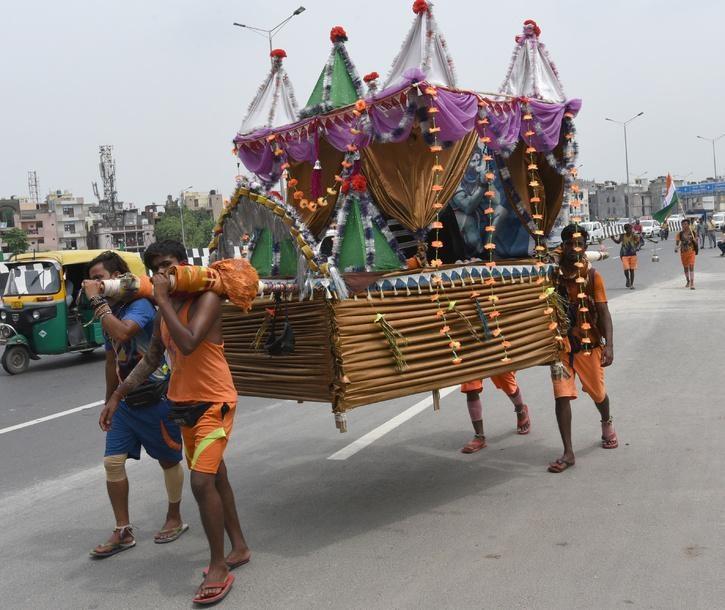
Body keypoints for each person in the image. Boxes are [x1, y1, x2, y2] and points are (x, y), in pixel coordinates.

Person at [102, 240, 250, 605]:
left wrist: (163, 300)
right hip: (182, 405)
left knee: (201, 483)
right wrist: (118, 395)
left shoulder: (208, 298)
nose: (161, 274)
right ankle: (240, 547)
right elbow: (153, 357)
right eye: (155, 269)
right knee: (217, 477)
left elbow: (187, 343)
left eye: (167, 265)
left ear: (183, 266)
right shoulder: (167, 309)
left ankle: (218, 566)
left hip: (214, 402)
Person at [84, 251, 187, 559]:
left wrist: (98, 303)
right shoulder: (109, 311)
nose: (93, 283)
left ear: (117, 279)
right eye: (92, 279)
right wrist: (109, 400)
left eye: (99, 278)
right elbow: (111, 357)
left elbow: (124, 332)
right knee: (112, 463)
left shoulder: (139, 305)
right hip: (127, 403)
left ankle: (175, 516)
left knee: (168, 460)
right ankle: (123, 530)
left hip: (156, 396)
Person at [548, 224, 617, 474]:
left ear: (585, 248)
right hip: (561, 347)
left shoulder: (592, 276)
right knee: (561, 395)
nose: (575, 249)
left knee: (598, 393)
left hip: (589, 346)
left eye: (580, 244)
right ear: (563, 246)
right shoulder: (552, 274)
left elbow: (603, 312)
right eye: (570, 244)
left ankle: (606, 422)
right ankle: (568, 452)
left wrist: (609, 346)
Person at [459, 372, 531, 453]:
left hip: (497, 359)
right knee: (470, 387)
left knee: (507, 384)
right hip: (473, 359)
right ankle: (479, 436)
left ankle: (520, 409)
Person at [611, 223, 641, 289]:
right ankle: (628, 279)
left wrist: (637, 246)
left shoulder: (634, 235)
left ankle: (631, 284)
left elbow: (638, 242)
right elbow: (618, 242)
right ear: (626, 230)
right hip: (624, 254)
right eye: (629, 229)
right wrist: (613, 239)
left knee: (632, 270)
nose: (631, 230)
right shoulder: (623, 235)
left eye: (631, 229)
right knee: (626, 269)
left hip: (633, 254)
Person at [675, 219, 698, 289]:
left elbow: (696, 243)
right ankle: (687, 280)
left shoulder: (693, 233)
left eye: (685, 224)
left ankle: (692, 283)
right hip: (683, 252)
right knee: (685, 268)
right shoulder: (680, 234)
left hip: (692, 252)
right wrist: (676, 248)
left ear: (689, 225)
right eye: (683, 224)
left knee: (691, 266)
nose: (684, 226)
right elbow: (677, 243)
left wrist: (694, 240)